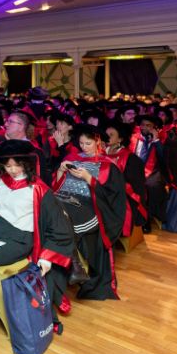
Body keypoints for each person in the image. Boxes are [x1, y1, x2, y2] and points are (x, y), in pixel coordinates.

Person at [0, 139, 78, 338]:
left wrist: (46, 257)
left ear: (27, 163)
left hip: (20, 239)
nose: (13, 169)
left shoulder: (39, 189)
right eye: (8, 165)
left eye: (17, 164)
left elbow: (58, 227)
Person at [52, 124, 125, 300]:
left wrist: (88, 178)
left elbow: (111, 197)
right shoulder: (73, 157)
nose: (84, 147)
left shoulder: (108, 166)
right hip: (63, 199)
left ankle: (73, 265)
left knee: (59, 212)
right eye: (81, 143)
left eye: (88, 143)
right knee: (50, 207)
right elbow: (55, 186)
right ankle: (72, 264)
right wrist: (61, 171)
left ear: (97, 141)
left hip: (88, 206)